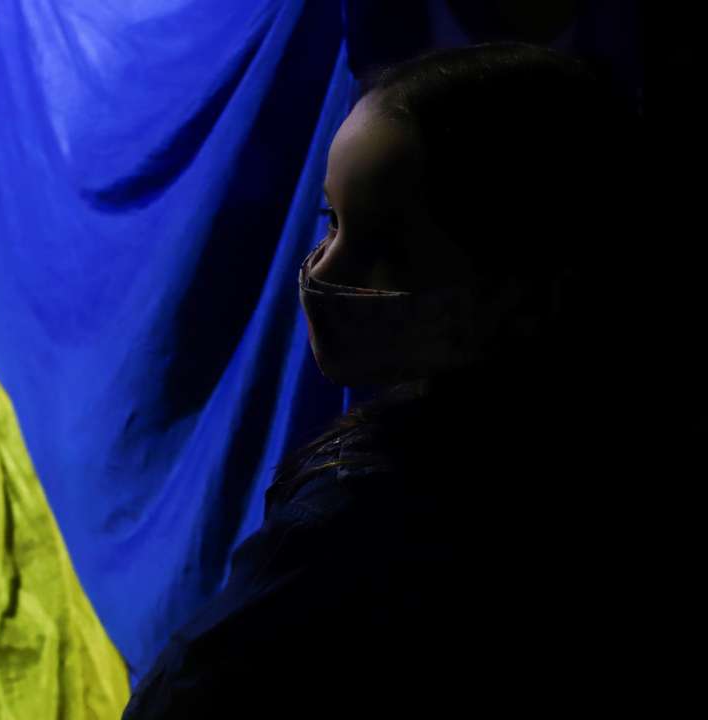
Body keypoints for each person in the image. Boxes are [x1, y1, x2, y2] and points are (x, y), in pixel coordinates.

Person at [121, 41, 656, 716]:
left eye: (388, 247)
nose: (321, 269)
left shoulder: (347, 520)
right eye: (333, 221)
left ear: (523, 291)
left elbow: (180, 697)